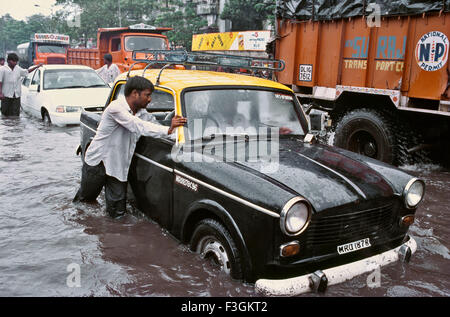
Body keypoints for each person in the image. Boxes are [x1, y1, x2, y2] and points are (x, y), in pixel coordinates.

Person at [73, 76, 187, 218]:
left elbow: (156, 129)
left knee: (118, 212)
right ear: (135, 93)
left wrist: (181, 136)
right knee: (85, 202)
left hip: (118, 166)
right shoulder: (116, 108)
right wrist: (169, 129)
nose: (150, 99)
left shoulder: (143, 114)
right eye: (147, 95)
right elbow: (137, 125)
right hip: (98, 162)